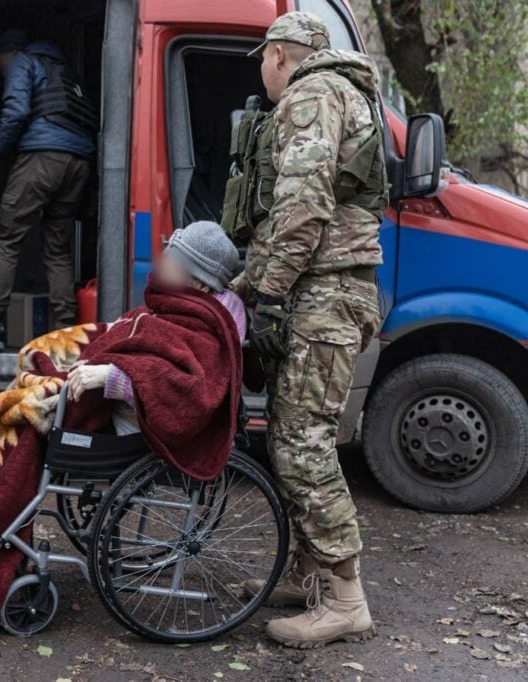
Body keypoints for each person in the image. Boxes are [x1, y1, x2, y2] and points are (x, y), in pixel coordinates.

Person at [232, 12, 388, 648]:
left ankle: (347, 600)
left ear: (278, 56)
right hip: (324, 288)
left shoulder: (311, 95)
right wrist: (246, 286)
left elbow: (301, 206)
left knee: (303, 446)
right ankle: (309, 571)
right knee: (291, 439)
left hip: (324, 293)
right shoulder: (341, 92)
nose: (267, 77)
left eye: (265, 64)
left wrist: (266, 292)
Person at [0, 29, 97, 351]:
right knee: (58, 249)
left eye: (2, 66)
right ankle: (65, 333)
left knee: (8, 239)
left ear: (8, 54)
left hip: (42, 158)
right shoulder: (67, 75)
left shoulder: (23, 62)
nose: (4, 73)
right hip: (79, 163)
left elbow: (16, 112)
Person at [67, 220, 245, 435]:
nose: (161, 267)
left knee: (39, 408)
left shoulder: (209, 324)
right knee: (39, 355)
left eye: (172, 265)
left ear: (200, 284)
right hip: (122, 396)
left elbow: (188, 392)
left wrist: (114, 376)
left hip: (142, 422)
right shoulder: (182, 303)